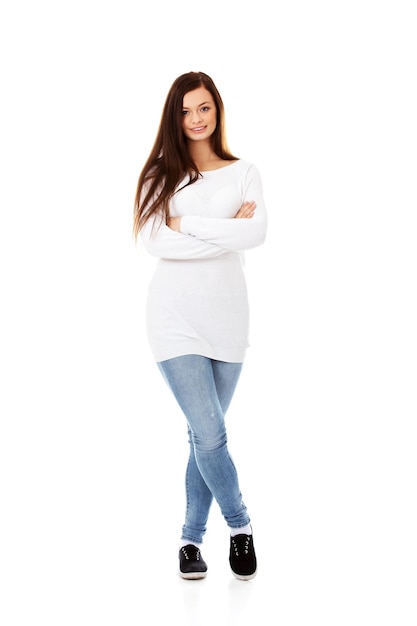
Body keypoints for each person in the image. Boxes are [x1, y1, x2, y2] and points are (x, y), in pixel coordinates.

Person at [133, 71, 267, 581]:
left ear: (217, 109)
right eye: (186, 110)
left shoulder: (244, 171)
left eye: (204, 108)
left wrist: (184, 223)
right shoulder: (158, 175)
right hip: (173, 319)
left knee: (201, 438)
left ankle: (190, 541)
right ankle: (241, 526)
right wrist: (226, 230)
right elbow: (154, 242)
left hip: (229, 318)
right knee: (211, 434)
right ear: (175, 115)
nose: (195, 119)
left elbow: (256, 234)